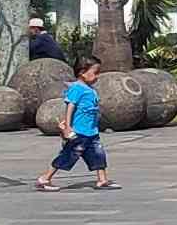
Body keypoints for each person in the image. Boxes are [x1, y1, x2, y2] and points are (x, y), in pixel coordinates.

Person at [31, 55, 115, 191]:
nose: (97, 76)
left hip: (91, 132)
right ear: (82, 72)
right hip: (79, 132)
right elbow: (70, 107)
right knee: (68, 155)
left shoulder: (90, 90)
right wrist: (67, 127)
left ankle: (102, 180)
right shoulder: (77, 88)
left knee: (98, 155)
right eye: (95, 72)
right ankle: (45, 178)